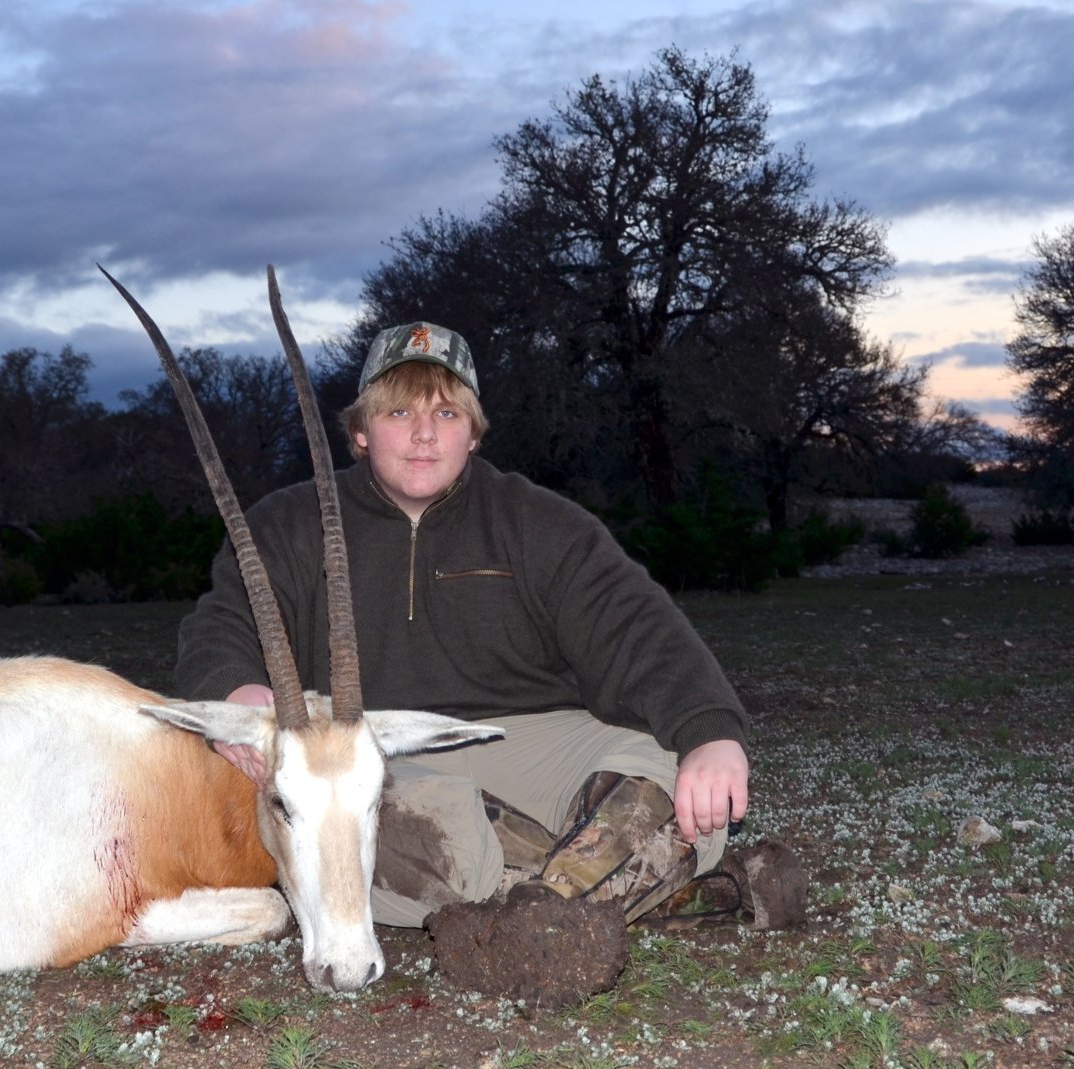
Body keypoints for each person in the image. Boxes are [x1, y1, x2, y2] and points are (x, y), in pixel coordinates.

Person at [175, 320, 764, 932]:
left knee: (664, 784)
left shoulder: (539, 521)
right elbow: (222, 623)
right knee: (370, 825)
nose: (425, 434)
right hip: (378, 754)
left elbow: (638, 628)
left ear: (474, 435)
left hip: (533, 742)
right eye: (399, 411)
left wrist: (710, 732)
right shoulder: (286, 523)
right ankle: (633, 899)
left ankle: (532, 920)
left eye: (449, 414)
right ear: (358, 431)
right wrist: (235, 686)